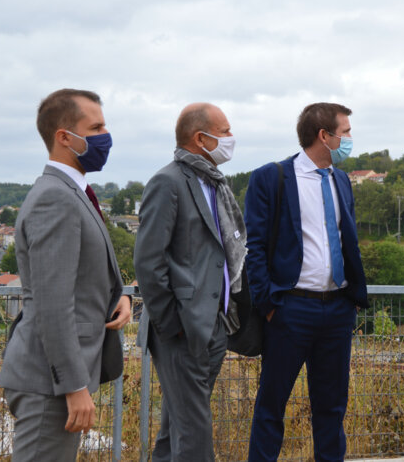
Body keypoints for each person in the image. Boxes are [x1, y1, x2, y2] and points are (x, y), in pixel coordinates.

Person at [0, 88, 132, 461]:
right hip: (50, 382)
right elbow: (52, 303)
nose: (106, 136)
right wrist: (74, 385)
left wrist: (116, 295)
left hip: (54, 380)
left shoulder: (72, 191)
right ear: (64, 137)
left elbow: (79, 274)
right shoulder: (54, 197)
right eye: (97, 127)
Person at [244, 102, 368, 462]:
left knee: (332, 408)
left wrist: (350, 300)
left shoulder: (342, 180)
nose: (349, 140)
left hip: (338, 310)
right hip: (289, 310)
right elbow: (254, 245)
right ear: (323, 136)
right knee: (272, 405)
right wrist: (269, 306)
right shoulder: (273, 177)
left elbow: (348, 240)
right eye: (345, 133)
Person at [135, 102, 245, 462]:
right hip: (182, 328)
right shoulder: (167, 182)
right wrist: (172, 326)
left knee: (178, 425)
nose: (231, 138)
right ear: (201, 138)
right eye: (226, 131)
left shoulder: (213, 183)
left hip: (215, 324)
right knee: (195, 428)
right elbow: (148, 262)